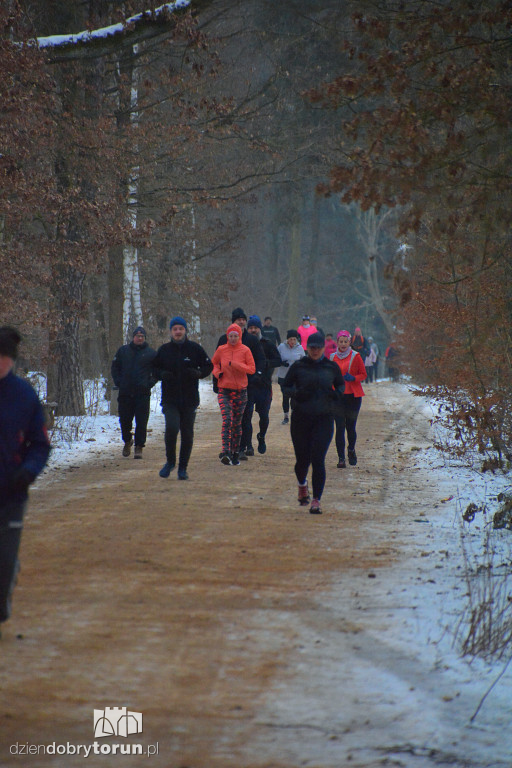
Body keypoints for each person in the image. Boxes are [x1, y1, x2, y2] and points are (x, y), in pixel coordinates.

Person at [0, 327, 51, 632]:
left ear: (11, 360)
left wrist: (29, 471)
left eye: (2, 357)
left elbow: (40, 444)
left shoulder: (24, 395)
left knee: (4, 562)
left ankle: (4, 590)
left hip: (12, 491)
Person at [282, 332, 344, 514]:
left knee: (318, 459)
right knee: (302, 460)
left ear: (323, 348)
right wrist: (296, 393)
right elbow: (285, 386)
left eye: (318, 348)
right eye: (312, 348)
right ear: (307, 348)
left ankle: (316, 500)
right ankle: (302, 484)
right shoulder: (298, 366)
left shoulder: (331, 367)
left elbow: (341, 385)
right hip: (301, 418)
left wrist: (336, 395)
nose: (315, 351)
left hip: (324, 418)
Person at [152, 316, 213, 480]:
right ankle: (170, 462)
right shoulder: (164, 350)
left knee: (187, 434)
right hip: (170, 399)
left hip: (189, 399)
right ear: (170, 332)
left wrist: (199, 373)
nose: (178, 332)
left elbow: (209, 365)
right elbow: (153, 369)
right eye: (175, 329)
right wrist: (161, 374)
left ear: (185, 330)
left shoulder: (195, 349)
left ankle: (183, 468)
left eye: (180, 329)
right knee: (172, 428)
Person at [215, 308, 266, 459]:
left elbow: (260, 360)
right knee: (228, 419)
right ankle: (228, 449)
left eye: (243, 319)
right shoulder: (223, 341)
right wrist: (216, 380)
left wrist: (257, 376)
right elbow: (216, 363)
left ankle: (242, 447)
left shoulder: (251, 341)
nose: (241, 322)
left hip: (247, 386)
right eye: (238, 319)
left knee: (244, 418)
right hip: (226, 386)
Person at [212, 323, 256, 465]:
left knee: (236, 424)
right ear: (227, 336)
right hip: (224, 390)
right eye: (230, 336)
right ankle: (225, 452)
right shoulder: (221, 349)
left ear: (239, 336)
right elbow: (213, 363)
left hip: (240, 392)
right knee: (227, 420)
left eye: (235, 336)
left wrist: (236, 365)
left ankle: (235, 452)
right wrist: (218, 373)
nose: (232, 338)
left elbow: (252, 369)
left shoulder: (245, 350)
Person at [111, 326, 157, 459]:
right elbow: (115, 368)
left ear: (145, 338)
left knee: (141, 421)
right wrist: (119, 382)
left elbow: (157, 371)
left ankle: (139, 446)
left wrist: (149, 383)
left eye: (142, 336)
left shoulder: (151, 353)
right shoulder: (123, 351)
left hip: (142, 393)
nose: (140, 338)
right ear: (133, 337)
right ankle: (127, 441)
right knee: (124, 420)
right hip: (125, 393)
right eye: (137, 336)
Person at [330, 330, 367, 468]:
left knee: (350, 427)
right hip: (338, 396)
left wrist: (354, 378)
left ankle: (351, 449)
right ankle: (341, 458)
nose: (343, 344)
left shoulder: (356, 356)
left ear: (349, 342)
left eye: (346, 341)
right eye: (341, 341)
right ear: (337, 342)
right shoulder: (332, 357)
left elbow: (363, 374)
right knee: (339, 427)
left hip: (353, 396)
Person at [246, 315, 282, 454]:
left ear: (260, 328)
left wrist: (266, 364)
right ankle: (248, 445)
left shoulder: (268, 343)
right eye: (250, 328)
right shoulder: (243, 344)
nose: (253, 330)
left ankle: (261, 436)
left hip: (264, 385)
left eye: (255, 327)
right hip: (248, 385)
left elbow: (278, 360)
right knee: (246, 416)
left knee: (264, 416)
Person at [276, 330, 305, 424]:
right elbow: (275, 358)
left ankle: (293, 415)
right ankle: (286, 416)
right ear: (287, 339)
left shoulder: (300, 348)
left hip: (295, 377)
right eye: (291, 339)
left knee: (294, 396)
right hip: (283, 376)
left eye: (294, 339)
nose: (292, 341)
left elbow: (304, 361)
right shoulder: (281, 347)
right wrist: (281, 363)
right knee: (285, 396)